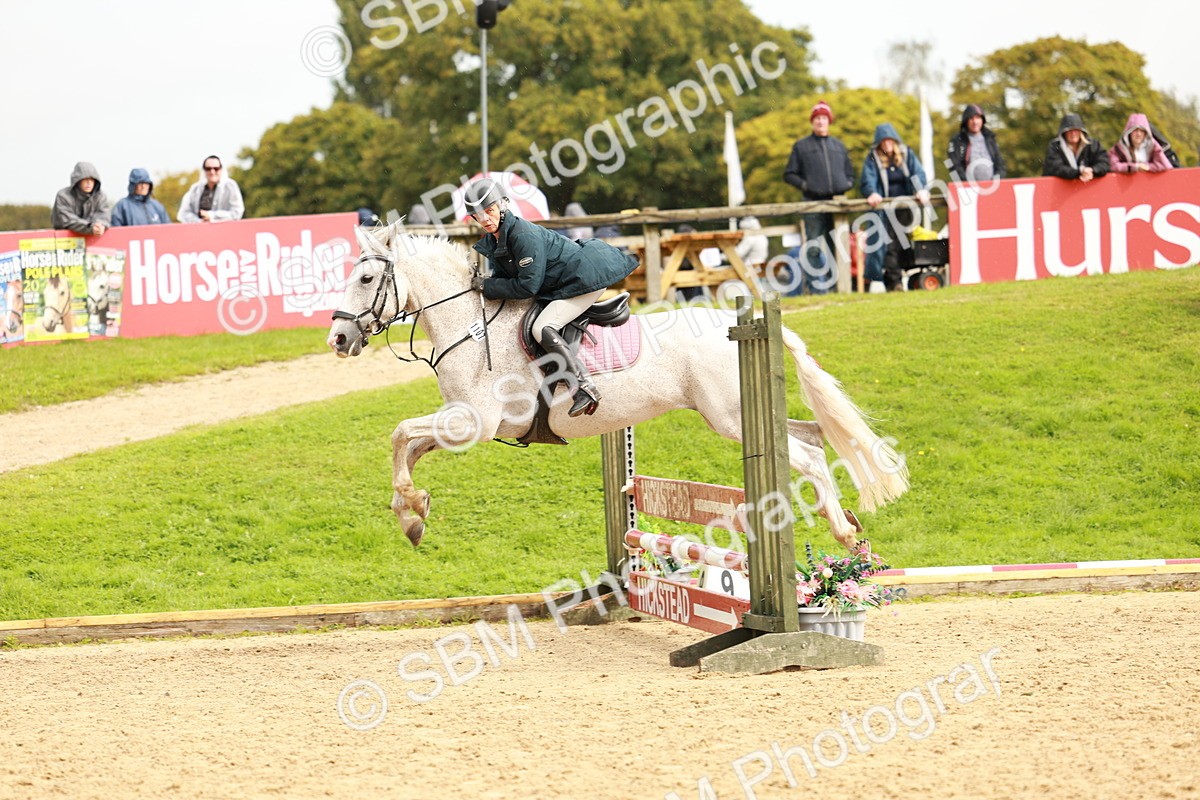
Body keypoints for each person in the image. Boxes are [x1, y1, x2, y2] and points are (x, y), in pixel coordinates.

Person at [466, 178, 638, 417]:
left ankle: (583, 387)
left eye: (489, 211)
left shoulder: (522, 235)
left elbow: (527, 287)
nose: (484, 219)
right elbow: (503, 279)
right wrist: (487, 285)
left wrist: (486, 286)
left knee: (542, 327)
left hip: (583, 278)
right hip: (561, 281)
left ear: (502, 206)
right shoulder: (495, 239)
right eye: (477, 215)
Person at [783, 100, 854, 293]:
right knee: (813, 248)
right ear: (812, 122)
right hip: (812, 204)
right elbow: (789, 174)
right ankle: (816, 290)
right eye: (817, 118)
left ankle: (837, 288)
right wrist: (806, 185)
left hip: (837, 204)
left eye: (824, 118)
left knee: (837, 248)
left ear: (829, 121)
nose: (821, 122)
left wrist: (846, 185)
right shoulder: (801, 146)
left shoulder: (839, 146)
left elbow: (851, 174)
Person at [860, 123, 929, 292]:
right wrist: (872, 192)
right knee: (888, 245)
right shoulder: (873, 158)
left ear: (895, 141)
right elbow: (868, 179)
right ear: (879, 143)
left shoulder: (907, 154)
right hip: (884, 210)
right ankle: (893, 281)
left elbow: (918, 173)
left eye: (890, 141)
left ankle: (905, 279)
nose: (887, 145)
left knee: (904, 244)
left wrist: (920, 189)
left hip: (905, 209)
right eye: (883, 142)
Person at [948, 104, 1007, 184]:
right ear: (966, 121)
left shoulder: (990, 139)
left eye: (978, 118)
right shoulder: (957, 140)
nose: (975, 122)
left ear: (982, 120)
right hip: (968, 189)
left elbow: (1000, 164)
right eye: (971, 118)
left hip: (992, 188)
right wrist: (968, 184)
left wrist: (996, 181)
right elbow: (953, 166)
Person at [1042, 114, 1110, 183]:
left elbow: (1104, 163)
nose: (1073, 133)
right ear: (1064, 132)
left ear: (1081, 131)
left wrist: (1092, 170)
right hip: (1058, 189)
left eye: (1076, 130)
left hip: (1089, 189)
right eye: (1070, 131)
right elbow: (1056, 168)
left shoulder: (1093, 145)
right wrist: (1079, 172)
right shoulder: (1055, 146)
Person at [178, 155, 244, 223]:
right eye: (208, 168)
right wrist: (199, 221)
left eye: (216, 168)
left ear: (221, 169)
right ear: (204, 170)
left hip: (224, 230)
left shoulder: (230, 186)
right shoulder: (195, 189)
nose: (212, 172)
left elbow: (237, 212)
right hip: (199, 231)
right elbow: (183, 213)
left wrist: (212, 216)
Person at [51, 161, 111, 235]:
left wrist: (99, 225)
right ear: (77, 180)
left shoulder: (100, 196)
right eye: (85, 178)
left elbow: (103, 215)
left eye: (92, 179)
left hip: (93, 242)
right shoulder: (63, 196)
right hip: (65, 242)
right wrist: (89, 227)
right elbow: (66, 219)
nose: (89, 182)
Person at [1109, 113, 1174, 174]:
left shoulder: (1153, 146)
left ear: (1146, 133)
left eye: (1141, 131)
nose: (1138, 134)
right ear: (1129, 132)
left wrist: (1147, 167)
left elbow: (1165, 165)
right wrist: (1134, 167)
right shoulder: (1119, 148)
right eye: (1135, 130)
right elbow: (1112, 166)